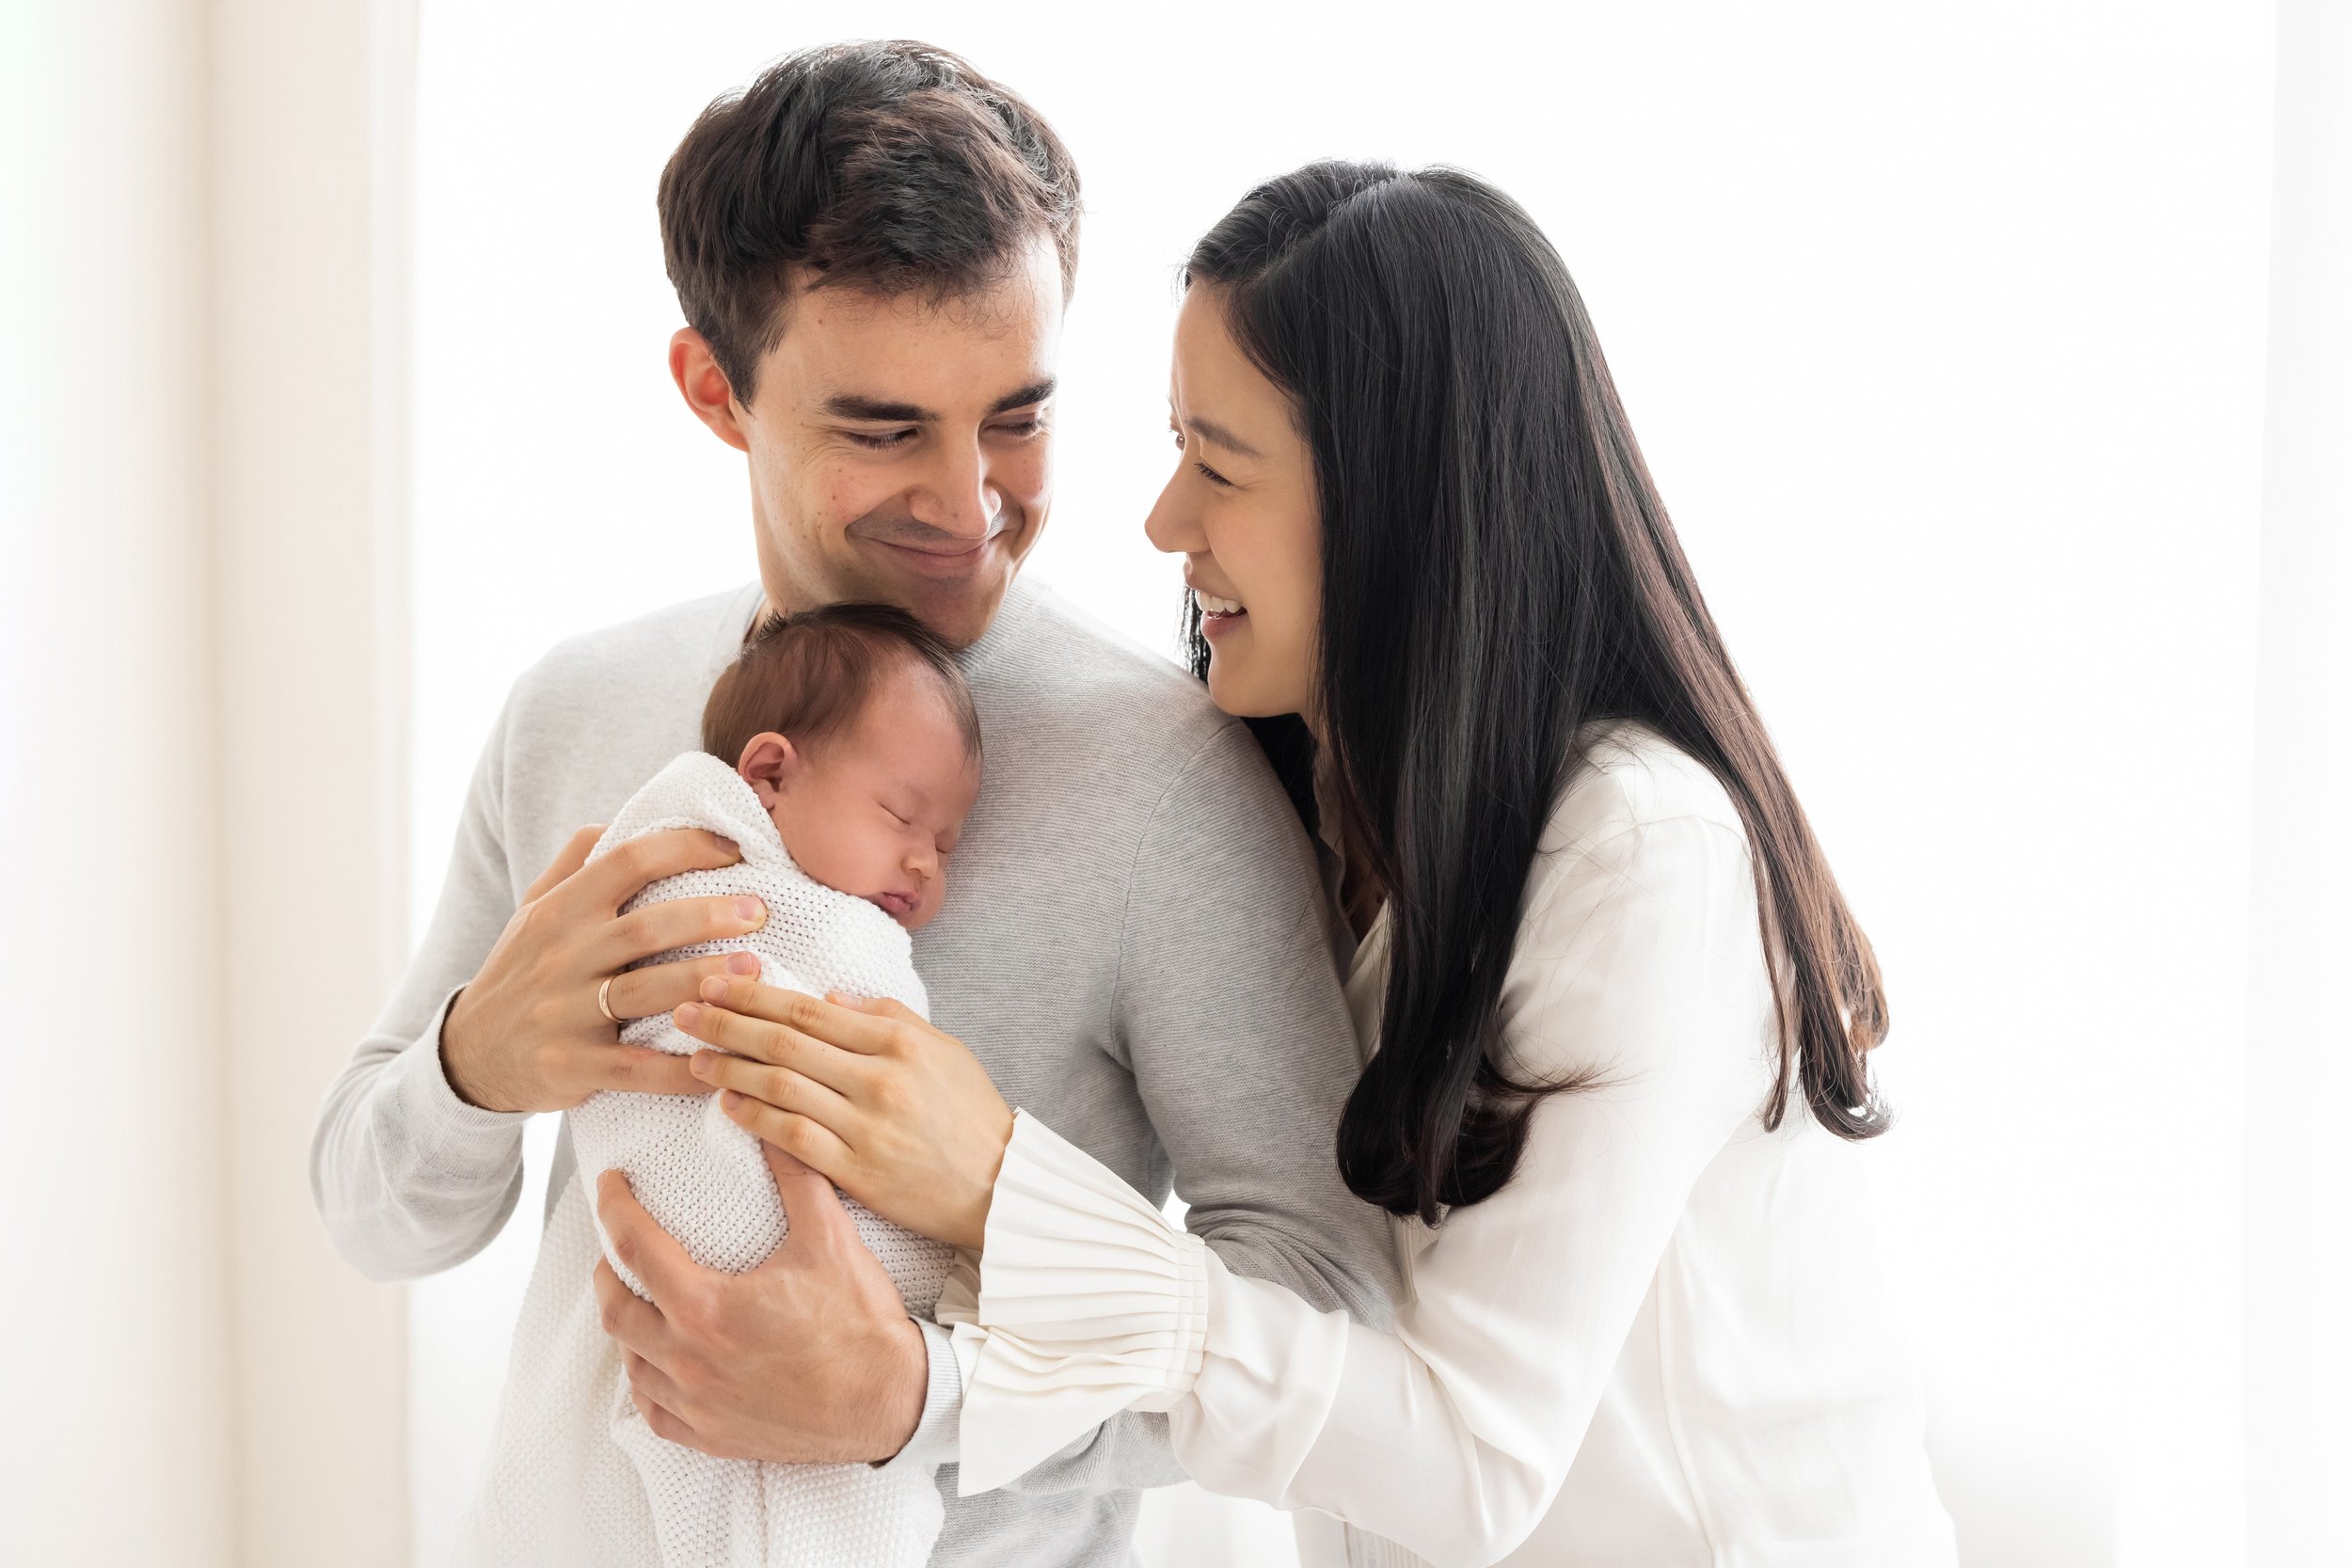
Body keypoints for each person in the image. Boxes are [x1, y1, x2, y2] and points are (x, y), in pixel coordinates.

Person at [661, 162, 1960, 1566]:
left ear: (1398, 500)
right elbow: (1312, 1348)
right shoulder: (1316, 813)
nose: (1161, 520)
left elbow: (1470, 1465)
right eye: (1171, 448)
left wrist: (998, 1184)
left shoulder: (1640, 855)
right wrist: (923, 1387)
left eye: (1218, 464)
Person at [309, 45, 1395, 1568]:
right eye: (885, 429)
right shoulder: (577, 713)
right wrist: (473, 1062)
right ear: (715, 391)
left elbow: (1324, 1312)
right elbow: (379, 1216)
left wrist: (921, 1396)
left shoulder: (1167, 773)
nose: (969, 503)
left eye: (1018, 415)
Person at [491, 604, 981, 1567]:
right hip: (671, 1286)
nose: (924, 859)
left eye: (950, 840)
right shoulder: (695, 891)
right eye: (899, 815)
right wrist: (470, 1057)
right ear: (767, 774)